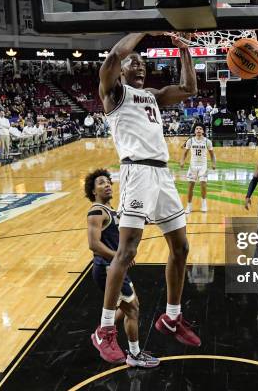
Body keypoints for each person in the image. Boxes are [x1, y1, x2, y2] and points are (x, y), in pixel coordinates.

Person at [93, 32, 200, 365]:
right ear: (122, 70)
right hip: (136, 173)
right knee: (126, 251)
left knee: (181, 248)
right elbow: (112, 58)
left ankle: (171, 317)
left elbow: (189, 89)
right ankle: (105, 329)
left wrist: (184, 50)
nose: (139, 64)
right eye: (132, 61)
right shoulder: (114, 94)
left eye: (143, 62)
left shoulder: (151, 95)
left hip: (162, 175)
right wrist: (145, 27)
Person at [85, 169, 159, 368]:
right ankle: (133, 354)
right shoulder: (96, 211)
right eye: (101, 183)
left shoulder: (112, 211)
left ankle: (102, 330)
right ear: (93, 191)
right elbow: (94, 244)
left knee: (130, 306)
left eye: (108, 181)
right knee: (132, 310)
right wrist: (119, 257)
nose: (107, 185)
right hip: (106, 268)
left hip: (115, 266)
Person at [180, 124, 216, 214]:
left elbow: (212, 154)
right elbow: (185, 153)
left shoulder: (207, 141)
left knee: (203, 184)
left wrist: (213, 163)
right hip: (193, 166)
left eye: (200, 129)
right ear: (194, 131)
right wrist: (182, 161)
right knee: (190, 186)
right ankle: (189, 205)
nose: (198, 130)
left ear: (203, 131)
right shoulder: (190, 141)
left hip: (203, 166)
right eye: (197, 129)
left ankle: (204, 204)